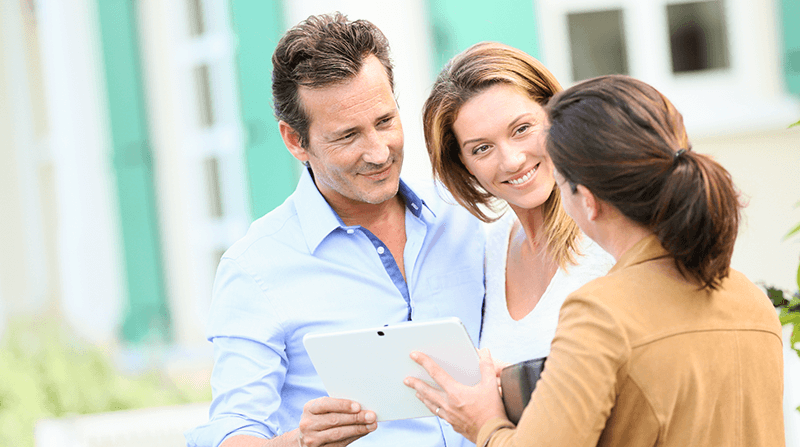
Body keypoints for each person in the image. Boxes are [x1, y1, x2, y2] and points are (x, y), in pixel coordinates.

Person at [405, 75, 785, 446]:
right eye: (481, 148)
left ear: (586, 200)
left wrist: (485, 424)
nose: (513, 159)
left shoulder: (600, 312)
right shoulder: (751, 299)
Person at [185, 13, 485, 447]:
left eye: (385, 121)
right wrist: (300, 442)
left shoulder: (467, 218)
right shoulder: (255, 268)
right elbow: (230, 429)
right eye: (348, 136)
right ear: (295, 140)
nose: (379, 152)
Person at [423, 42, 614, 365]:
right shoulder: (493, 246)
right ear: (464, 164)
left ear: (554, 113)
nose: (511, 161)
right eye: (482, 148)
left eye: (522, 129)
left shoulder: (612, 233)